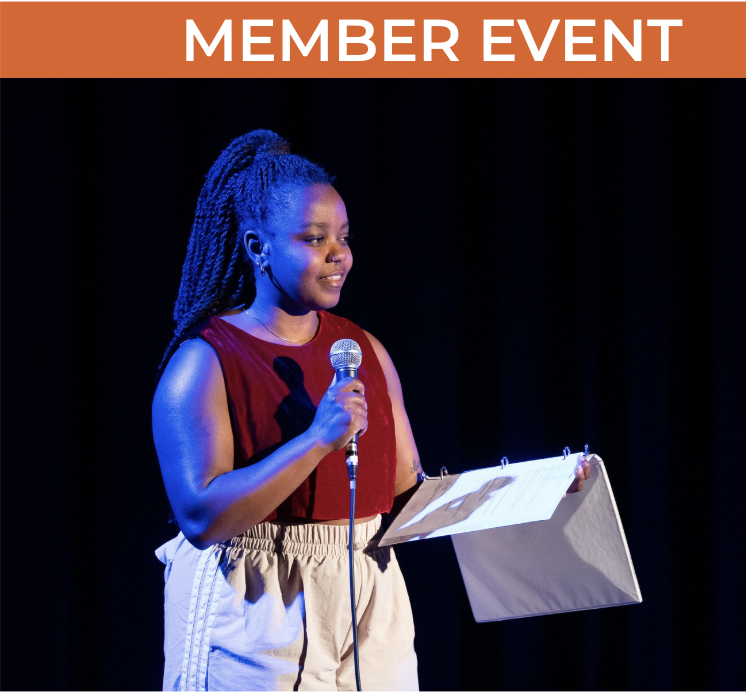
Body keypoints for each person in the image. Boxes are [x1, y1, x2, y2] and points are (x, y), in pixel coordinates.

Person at [152, 129, 590, 692]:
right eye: (314, 239)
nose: (338, 254)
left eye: (343, 237)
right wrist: (318, 439)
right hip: (254, 601)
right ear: (258, 247)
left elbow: (409, 498)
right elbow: (201, 519)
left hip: (368, 593)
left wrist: (537, 489)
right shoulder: (204, 361)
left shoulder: (366, 352)